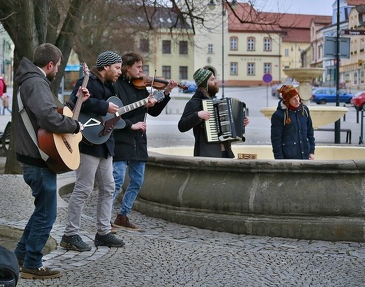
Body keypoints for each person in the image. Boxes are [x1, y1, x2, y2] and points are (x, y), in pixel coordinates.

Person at [13, 43, 90, 279]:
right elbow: (48, 118)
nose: (57, 70)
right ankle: (33, 264)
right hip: (37, 161)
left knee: (41, 211)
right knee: (47, 214)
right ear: (49, 64)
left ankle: (20, 256)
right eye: (57, 66)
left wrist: (74, 103)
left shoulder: (32, 81)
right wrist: (74, 125)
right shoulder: (35, 83)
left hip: (36, 158)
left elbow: (48, 113)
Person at [60, 51, 125, 251]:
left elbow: (112, 114)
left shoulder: (110, 85)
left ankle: (103, 233)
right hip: (88, 144)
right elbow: (77, 101)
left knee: (109, 188)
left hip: (105, 144)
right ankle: (70, 235)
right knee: (83, 189)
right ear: (105, 67)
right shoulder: (87, 80)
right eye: (117, 67)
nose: (119, 72)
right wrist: (105, 106)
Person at [111, 52, 178, 230]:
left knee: (137, 181)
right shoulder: (116, 86)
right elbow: (118, 113)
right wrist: (139, 110)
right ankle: (104, 220)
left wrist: (166, 92)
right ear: (127, 68)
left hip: (138, 140)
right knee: (117, 181)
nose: (142, 71)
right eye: (138, 67)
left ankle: (123, 215)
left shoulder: (142, 88)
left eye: (142, 67)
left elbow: (154, 112)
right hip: (121, 138)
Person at [178, 68, 249, 158]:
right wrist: (198, 115)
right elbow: (181, 126)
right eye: (212, 80)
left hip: (226, 153)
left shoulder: (215, 101)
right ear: (204, 83)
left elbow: (226, 127)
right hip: (207, 154)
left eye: (215, 79)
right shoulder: (194, 102)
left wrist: (240, 123)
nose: (215, 82)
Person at [270, 85, 315, 160]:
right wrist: (279, 159)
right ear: (287, 100)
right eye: (294, 99)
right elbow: (276, 140)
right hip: (289, 157)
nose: (297, 100)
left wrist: (311, 151)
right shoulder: (279, 115)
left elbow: (310, 132)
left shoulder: (304, 110)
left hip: (305, 156)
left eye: (297, 97)